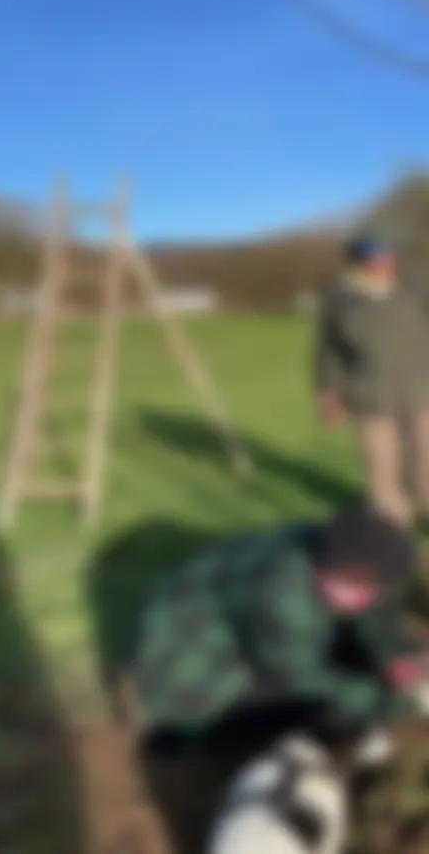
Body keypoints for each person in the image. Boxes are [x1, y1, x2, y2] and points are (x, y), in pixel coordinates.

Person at [131, 507, 429, 851]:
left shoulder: (335, 552)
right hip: (189, 660)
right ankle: (211, 743)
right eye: (365, 586)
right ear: (335, 571)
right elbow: (300, 678)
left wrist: (395, 658)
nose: (376, 594)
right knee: (310, 706)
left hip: (251, 628)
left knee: (351, 667)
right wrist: (394, 701)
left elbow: (376, 614)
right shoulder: (283, 595)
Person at [314, 234, 429, 531]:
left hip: (422, 389)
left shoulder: (415, 290)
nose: (385, 263)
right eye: (377, 258)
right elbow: (329, 350)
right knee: (381, 466)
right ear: (359, 262)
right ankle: (391, 526)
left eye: (390, 256)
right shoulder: (340, 299)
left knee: (425, 459)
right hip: (369, 394)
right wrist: (329, 392)